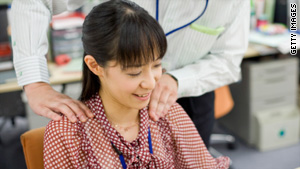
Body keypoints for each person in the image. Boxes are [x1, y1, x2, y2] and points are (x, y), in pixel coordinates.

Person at [11, 0, 250, 148]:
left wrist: (179, 80)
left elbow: (228, 60)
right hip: (110, 97)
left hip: (184, 98)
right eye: (135, 71)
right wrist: (35, 82)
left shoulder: (178, 120)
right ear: (95, 66)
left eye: (156, 66)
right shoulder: (71, 133)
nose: (149, 82)